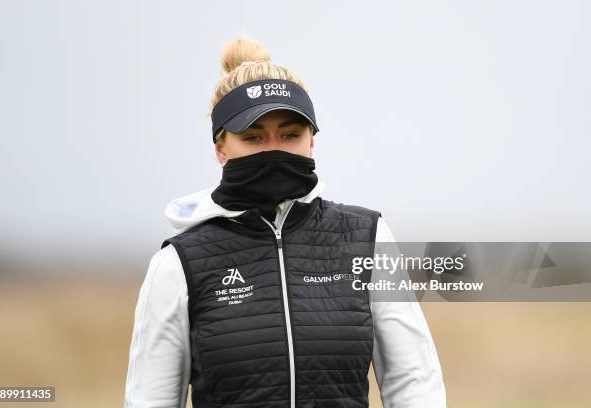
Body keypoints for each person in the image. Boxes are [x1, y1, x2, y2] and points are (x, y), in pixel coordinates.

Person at [124, 37, 446, 408]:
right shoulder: (179, 264)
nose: (274, 150)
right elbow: (151, 400)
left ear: (311, 143)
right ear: (221, 148)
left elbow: (415, 383)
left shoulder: (368, 239)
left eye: (290, 135)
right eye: (254, 137)